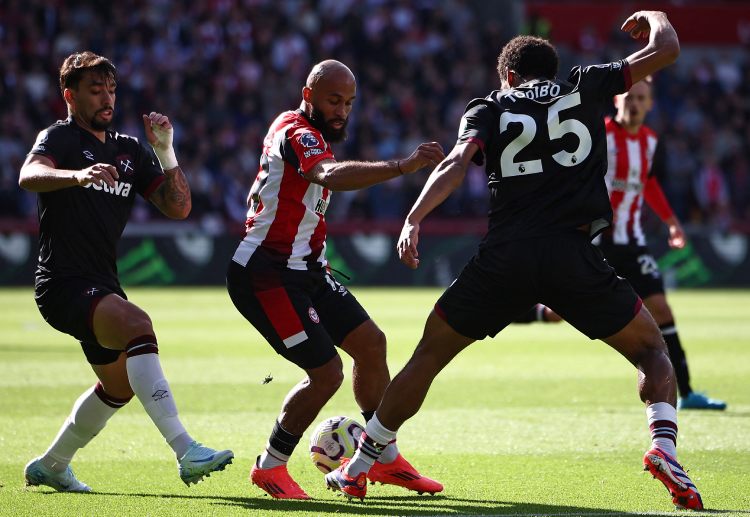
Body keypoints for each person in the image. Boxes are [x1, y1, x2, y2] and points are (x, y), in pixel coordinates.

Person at [327, 12, 704, 511]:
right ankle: (663, 446)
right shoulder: (587, 85)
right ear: (552, 69)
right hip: (573, 253)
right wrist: (655, 18)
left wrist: (414, 217)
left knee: (428, 357)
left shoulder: (489, 107)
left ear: (507, 76)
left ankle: (359, 466)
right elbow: (669, 48)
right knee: (652, 350)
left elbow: (457, 162)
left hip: (504, 257)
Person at [226, 59, 445, 500]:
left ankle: (383, 459)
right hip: (265, 274)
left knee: (372, 344)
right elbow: (327, 174)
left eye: (349, 102)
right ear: (308, 95)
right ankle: (270, 467)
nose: (342, 110)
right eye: (333, 100)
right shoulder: (297, 131)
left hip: (307, 270)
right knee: (326, 373)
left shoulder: (316, 134)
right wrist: (402, 167)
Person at [19, 51, 233, 493]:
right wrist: (77, 176)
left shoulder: (129, 149)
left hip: (102, 284)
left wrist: (166, 151)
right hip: (62, 284)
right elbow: (29, 175)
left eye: (111, 89)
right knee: (139, 326)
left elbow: (179, 208)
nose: (106, 98)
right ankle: (185, 450)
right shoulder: (58, 138)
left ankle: (53, 464)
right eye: (95, 90)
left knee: (118, 386)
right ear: (69, 96)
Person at [529, 78, 726, 410]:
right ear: (616, 100)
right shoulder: (596, 133)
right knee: (557, 313)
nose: (634, 103)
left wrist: (672, 223)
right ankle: (517, 312)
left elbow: (647, 183)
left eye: (641, 99)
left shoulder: (649, 142)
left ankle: (688, 392)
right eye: (629, 97)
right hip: (595, 241)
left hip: (632, 243)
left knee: (661, 309)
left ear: (650, 105)